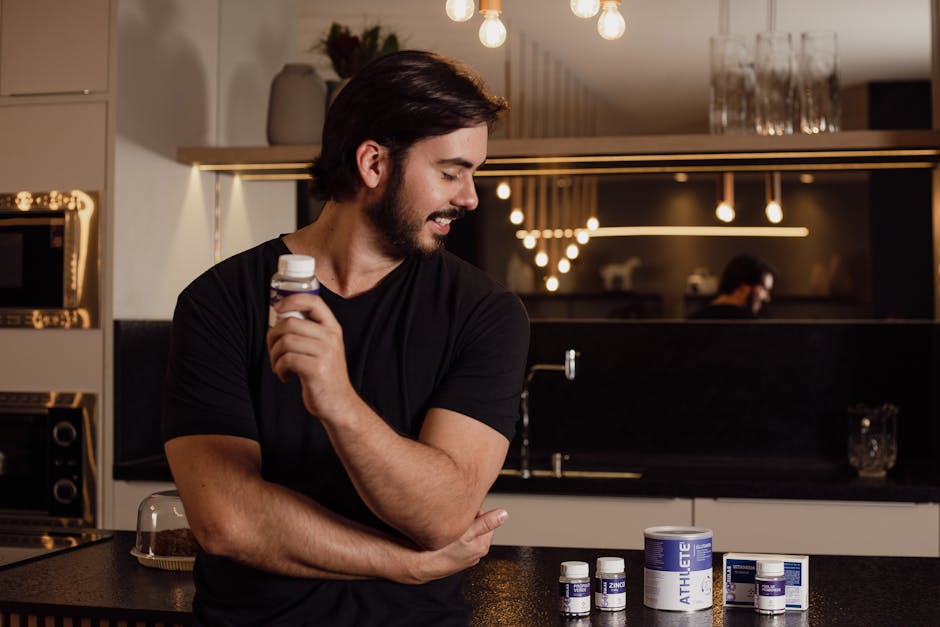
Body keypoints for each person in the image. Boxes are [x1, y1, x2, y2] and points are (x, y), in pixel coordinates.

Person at [161, 50, 530, 626]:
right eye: (451, 172)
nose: (470, 198)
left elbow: (442, 515)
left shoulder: (485, 313)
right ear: (374, 164)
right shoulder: (219, 301)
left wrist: (339, 402)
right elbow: (226, 521)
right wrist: (400, 565)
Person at [690, 254, 776, 319]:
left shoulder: (692, 322)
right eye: (764, 289)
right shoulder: (755, 327)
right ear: (744, 287)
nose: (767, 298)